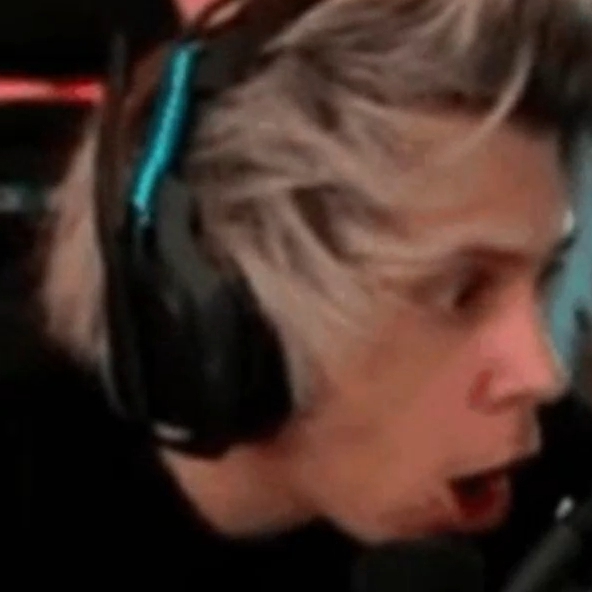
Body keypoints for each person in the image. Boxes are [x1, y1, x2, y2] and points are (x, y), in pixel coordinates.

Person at [5, 0, 592, 589]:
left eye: (544, 277)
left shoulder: (557, 495)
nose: (544, 374)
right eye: (463, 293)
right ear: (232, 316)